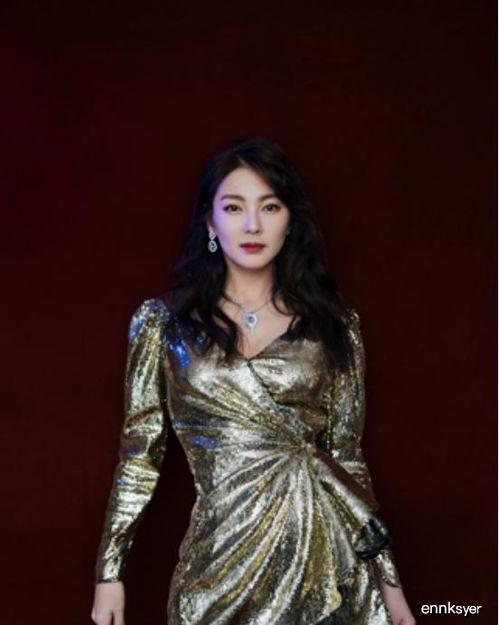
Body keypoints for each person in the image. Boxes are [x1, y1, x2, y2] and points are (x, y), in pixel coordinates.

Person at [91, 136, 416, 625]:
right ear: (210, 222)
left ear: (290, 221)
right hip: (217, 569)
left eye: (270, 206)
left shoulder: (334, 326)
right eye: (233, 207)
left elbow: (347, 460)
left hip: (323, 564)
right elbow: (140, 456)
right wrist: (109, 571)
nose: (252, 225)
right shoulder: (163, 324)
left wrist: (390, 584)